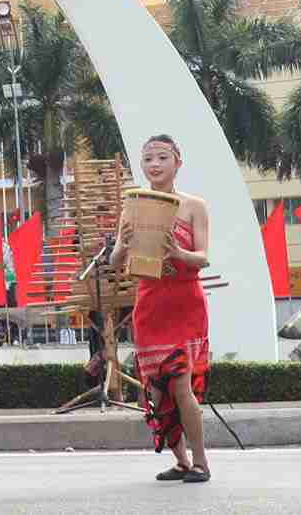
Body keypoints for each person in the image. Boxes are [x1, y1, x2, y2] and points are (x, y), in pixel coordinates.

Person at [126, 135, 214, 483]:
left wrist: (177, 253)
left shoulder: (194, 206)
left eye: (163, 157)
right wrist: (120, 248)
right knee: (156, 391)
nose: (155, 164)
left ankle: (201, 462)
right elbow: (121, 259)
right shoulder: (133, 205)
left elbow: (203, 257)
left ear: (178, 162)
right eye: (148, 159)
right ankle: (180, 461)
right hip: (149, 304)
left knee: (181, 384)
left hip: (184, 303)